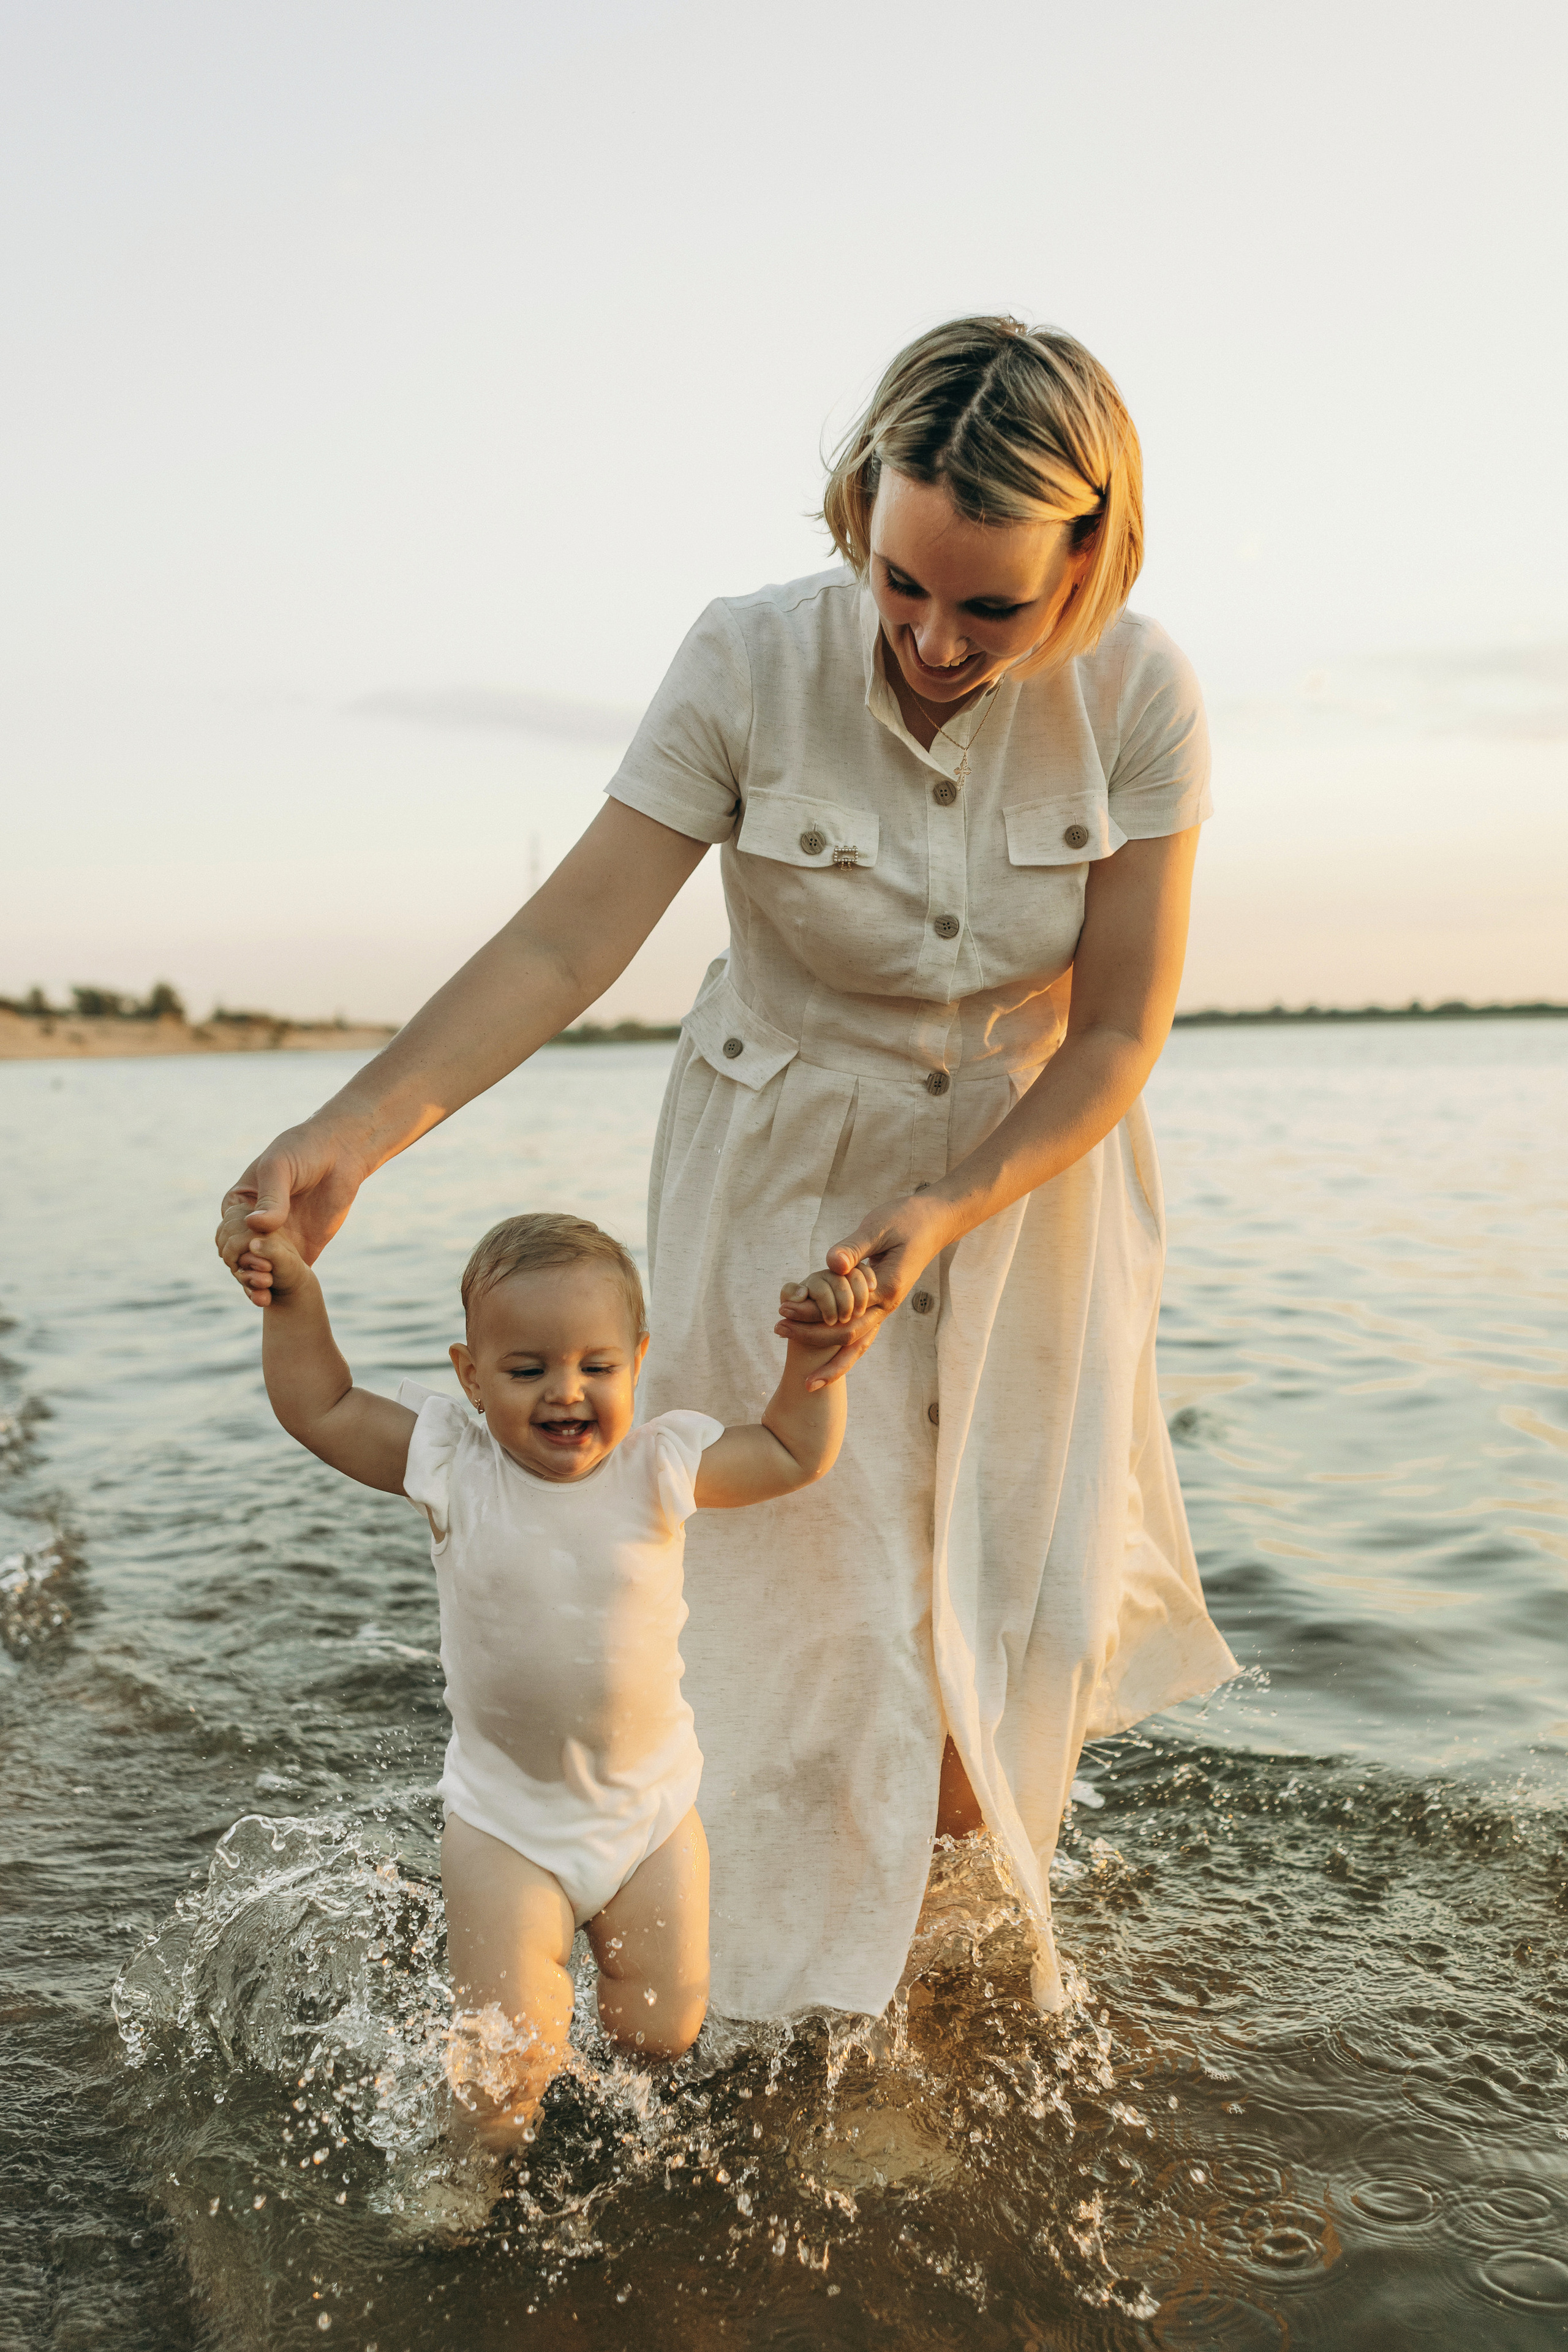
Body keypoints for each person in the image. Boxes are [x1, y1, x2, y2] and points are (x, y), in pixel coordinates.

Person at [218, 314, 1237, 2022]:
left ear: (1090, 558)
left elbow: (1119, 1032)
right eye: (904, 579)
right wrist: (348, 1136)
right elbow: (565, 947)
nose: (932, 636)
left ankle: (929, 1987)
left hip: (1031, 1188)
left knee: (1012, 1609)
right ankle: (759, 1999)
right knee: (802, 1613)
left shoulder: (1145, 694)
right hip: (779, 1171)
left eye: (993, 606)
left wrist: (950, 1203)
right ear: (861, 507)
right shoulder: (746, 659)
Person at [244, 1207, 863, 2147]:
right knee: (507, 2070)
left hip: (649, 1813)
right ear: (471, 1375)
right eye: (527, 1370)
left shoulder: (662, 1467)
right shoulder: (455, 1466)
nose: (565, 1393)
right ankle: (468, 2182)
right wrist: (295, 1298)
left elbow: (790, 1451)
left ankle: (620, 2147)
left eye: (596, 1367)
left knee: (663, 2032)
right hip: (509, 1823)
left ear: (637, 1360)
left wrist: (815, 1360)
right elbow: (320, 1408)